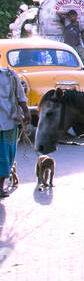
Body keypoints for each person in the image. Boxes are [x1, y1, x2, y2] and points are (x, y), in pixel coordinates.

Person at [0, 66, 29, 197]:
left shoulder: (10, 75)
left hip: (8, 121)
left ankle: (0, 187)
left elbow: (20, 95)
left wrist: (26, 111)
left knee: (6, 157)